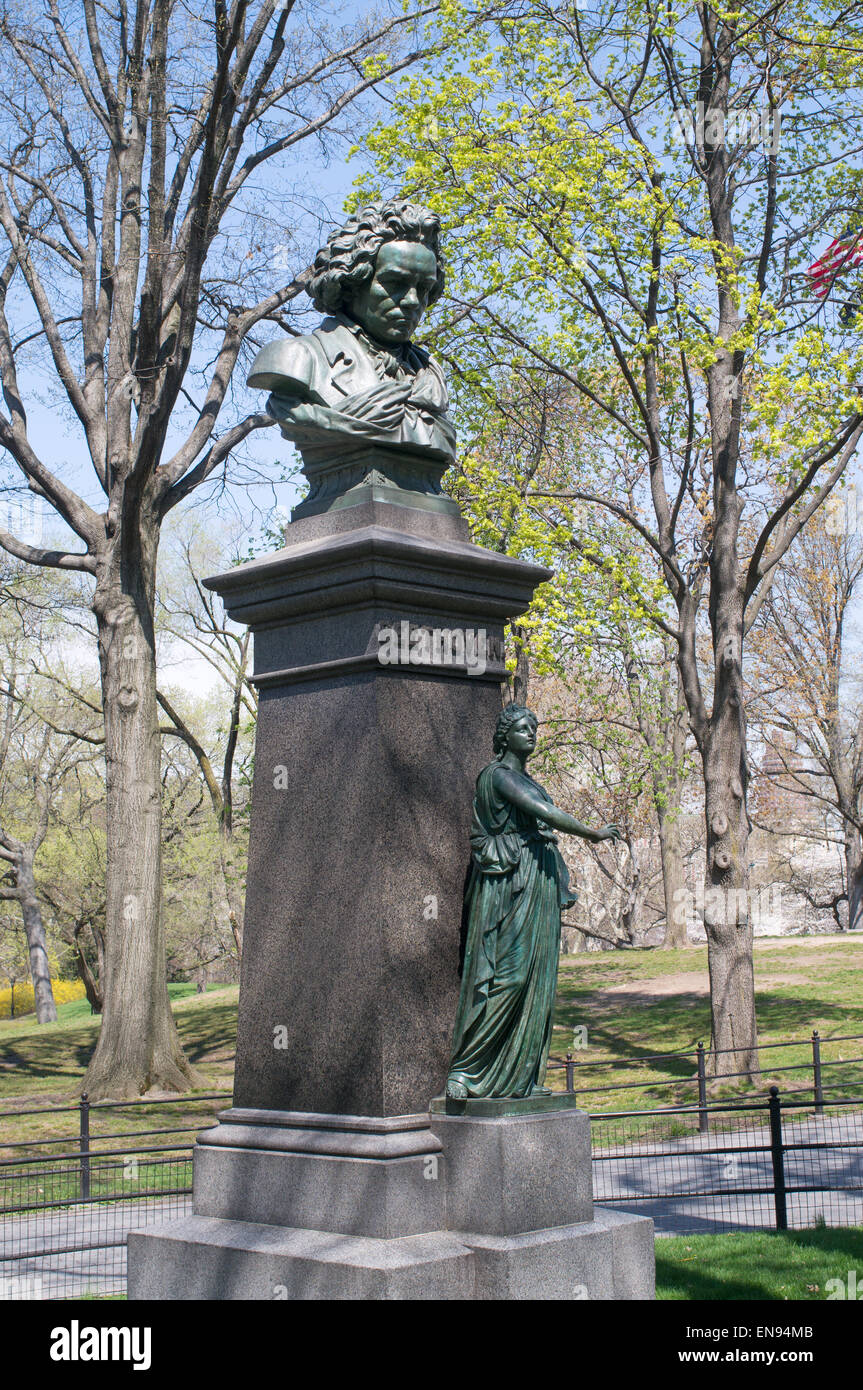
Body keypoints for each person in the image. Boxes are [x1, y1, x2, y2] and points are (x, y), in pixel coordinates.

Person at [446, 703, 622, 1101]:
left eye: (534, 728)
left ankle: (522, 1075)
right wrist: (592, 833)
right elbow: (544, 811)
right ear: (504, 735)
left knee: (540, 980)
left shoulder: (527, 779)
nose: (532, 733)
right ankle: (467, 1071)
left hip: (538, 880)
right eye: (523, 728)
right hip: (513, 883)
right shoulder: (499, 777)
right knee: (511, 977)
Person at [247, 199, 456, 463]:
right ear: (351, 282)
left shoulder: (430, 373)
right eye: (395, 283)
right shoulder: (299, 358)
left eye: (424, 288)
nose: (413, 300)